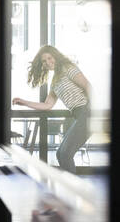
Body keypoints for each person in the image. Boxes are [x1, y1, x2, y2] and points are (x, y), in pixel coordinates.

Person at [12, 45, 92, 173]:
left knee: (65, 153)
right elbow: (47, 105)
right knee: (60, 153)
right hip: (79, 115)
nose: (48, 63)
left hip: (87, 113)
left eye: (50, 58)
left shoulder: (68, 68)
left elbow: (89, 87)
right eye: (44, 61)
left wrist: (91, 112)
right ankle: (71, 187)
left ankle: (72, 189)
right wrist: (24, 102)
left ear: (56, 56)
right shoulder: (55, 81)